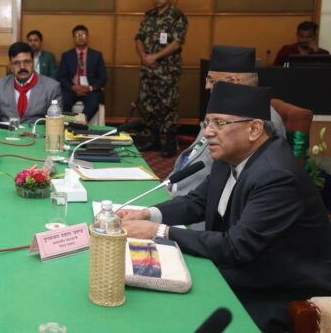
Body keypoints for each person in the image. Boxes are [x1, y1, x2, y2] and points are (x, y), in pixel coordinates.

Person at [119, 82, 331, 333]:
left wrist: (159, 231)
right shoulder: (231, 155)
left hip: (278, 291)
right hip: (238, 270)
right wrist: (147, 214)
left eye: (219, 123)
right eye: (207, 123)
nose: (208, 132)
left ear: (254, 129)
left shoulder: (276, 175)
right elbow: (197, 202)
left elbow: (236, 247)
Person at [172, 45, 287, 199]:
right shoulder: (219, 110)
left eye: (211, 80)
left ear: (232, 81)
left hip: (198, 201)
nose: (207, 86)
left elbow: (245, 181)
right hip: (176, 189)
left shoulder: (265, 120)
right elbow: (195, 152)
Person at [134, 0, 188, 157]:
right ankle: (154, 139)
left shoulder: (177, 16)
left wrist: (155, 57)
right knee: (147, 103)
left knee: (168, 105)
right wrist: (144, 57)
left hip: (167, 70)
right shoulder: (149, 16)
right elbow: (139, 38)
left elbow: (177, 43)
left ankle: (170, 142)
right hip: (148, 69)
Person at [0, 42, 61, 124]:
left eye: (27, 62)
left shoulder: (52, 88)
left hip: (36, 132)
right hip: (6, 132)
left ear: (33, 63)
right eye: (16, 63)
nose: (22, 67)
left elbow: (55, 125)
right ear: (11, 66)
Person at [57, 25, 107, 120]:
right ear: (73, 38)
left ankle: (80, 122)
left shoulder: (97, 55)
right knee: (63, 102)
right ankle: (69, 122)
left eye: (83, 35)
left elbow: (103, 77)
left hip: (90, 89)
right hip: (72, 89)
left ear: (87, 37)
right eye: (77, 35)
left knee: (93, 103)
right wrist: (73, 87)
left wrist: (90, 88)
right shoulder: (67, 55)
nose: (80, 38)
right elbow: (61, 77)